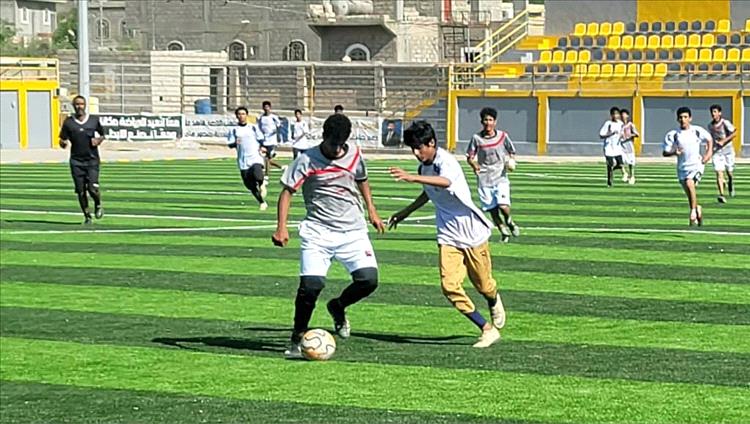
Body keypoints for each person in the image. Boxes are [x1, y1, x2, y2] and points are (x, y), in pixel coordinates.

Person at [272, 113, 386, 359]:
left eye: (340, 144)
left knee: (369, 280)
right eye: (332, 143)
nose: (336, 149)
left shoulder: (354, 154)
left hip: (353, 231)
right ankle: (297, 337)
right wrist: (282, 227)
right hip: (318, 231)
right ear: (323, 137)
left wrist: (372, 210)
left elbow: (362, 180)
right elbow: (287, 192)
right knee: (311, 287)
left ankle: (338, 306)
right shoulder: (306, 160)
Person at [388, 121, 506, 348]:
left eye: (418, 148)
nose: (416, 153)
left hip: (471, 232)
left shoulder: (446, 161)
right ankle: (486, 329)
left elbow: (445, 182)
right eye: (412, 148)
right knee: (449, 286)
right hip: (448, 234)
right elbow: (429, 192)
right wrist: (405, 212)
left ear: (431, 143)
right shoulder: (424, 168)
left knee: (484, 286)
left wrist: (412, 178)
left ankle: (493, 299)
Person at [466, 107, 519, 243]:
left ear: (495, 122)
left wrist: (511, 161)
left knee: (503, 206)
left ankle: (509, 221)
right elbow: (470, 157)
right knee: (492, 210)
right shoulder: (476, 138)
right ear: (481, 122)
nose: (488, 123)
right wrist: (474, 165)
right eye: (485, 120)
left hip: (500, 176)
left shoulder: (502, 136)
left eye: (490, 120)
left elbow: (511, 151)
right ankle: (504, 232)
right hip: (484, 178)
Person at [58, 95, 105, 224]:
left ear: (85, 105)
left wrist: (99, 140)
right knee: (81, 191)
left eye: (82, 104)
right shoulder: (69, 122)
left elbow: (102, 134)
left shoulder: (93, 120)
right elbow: (62, 139)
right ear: (73, 106)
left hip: (92, 160)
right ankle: (87, 216)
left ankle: (98, 204)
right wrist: (63, 143)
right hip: (76, 161)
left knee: (92, 188)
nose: (80, 107)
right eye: (77, 104)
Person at [663, 107, 713, 226]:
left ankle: (692, 212)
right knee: (690, 192)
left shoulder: (697, 131)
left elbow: (709, 139)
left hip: (696, 165)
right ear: (677, 119)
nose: (683, 120)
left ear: (690, 118)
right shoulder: (673, 134)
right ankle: (697, 208)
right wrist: (674, 152)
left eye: (685, 117)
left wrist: (708, 154)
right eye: (681, 117)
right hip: (682, 168)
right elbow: (665, 152)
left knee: (690, 183)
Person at [227, 106, 268, 210]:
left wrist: (263, 147)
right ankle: (262, 202)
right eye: (239, 114)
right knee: (250, 185)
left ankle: (262, 184)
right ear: (236, 116)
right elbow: (230, 144)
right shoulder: (234, 130)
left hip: (255, 157)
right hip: (243, 160)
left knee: (258, 175)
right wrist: (235, 143)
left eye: (243, 114)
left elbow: (261, 139)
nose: (241, 116)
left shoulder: (253, 127)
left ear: (247, 115)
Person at [707, 104, 737, 203]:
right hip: (717, 152)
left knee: (729, 172)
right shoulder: (710, 126)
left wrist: (724, 141)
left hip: (728, 151)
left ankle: (731, 182)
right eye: (712, 112)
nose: (713, 114)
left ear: (720, 113)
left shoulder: (725, 123)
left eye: (715, 111)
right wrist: (709, 147)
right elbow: (711, 138)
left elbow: (734, 133)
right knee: (719, 172)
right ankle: (721, 195)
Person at [599, 106, 627, 187]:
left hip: (617, 147)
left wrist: (622, 137)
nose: (615, 116)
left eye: (617, 114)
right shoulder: (608, 123)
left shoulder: (620, 124)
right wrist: (611, 134)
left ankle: (614, 170)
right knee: (610, 164)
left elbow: (622, 134)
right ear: (611, 115)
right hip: (609, 147)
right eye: (614, 114)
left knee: (621, 164)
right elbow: (601, 135)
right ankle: (609, 181)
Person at [257, 100, 283, 177]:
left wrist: (278, 136)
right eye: (265, 107)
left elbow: (279, 127)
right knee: (267, 159)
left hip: (272, 141)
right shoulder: (261, 118)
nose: (266, 109)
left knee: (267, 158)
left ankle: (266, 175)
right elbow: (259, 128)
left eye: (267, 107)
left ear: (270, 108)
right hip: (264, 141)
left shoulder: (273, 117)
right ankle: (282, 167)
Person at [619, 108, 639, 185]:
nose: (622, 116)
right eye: (621, 115)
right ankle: (624, 173)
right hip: (620, 146)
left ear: (627, 115)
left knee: (631, 162)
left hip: (629, 145)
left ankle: (632, 176)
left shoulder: (630, 125)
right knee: (619, 160)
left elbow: (637, 134)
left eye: (624, 114)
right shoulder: (619, 125)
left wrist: (629, 135)